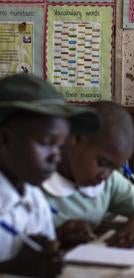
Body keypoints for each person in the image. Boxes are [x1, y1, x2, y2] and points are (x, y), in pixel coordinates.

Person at [0, 73, 99, 276]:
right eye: (46, 143)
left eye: (60, 146)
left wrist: (59, 240)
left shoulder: (33, 197)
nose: (56, 157)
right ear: (5, 138)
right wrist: (10, 268)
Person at [42, 101, 134, 249]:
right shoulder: (35, 176)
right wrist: (57, 234)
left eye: (114, 168)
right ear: (75, 139)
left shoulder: (108, 182)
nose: (105, 175)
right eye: (102, 163)